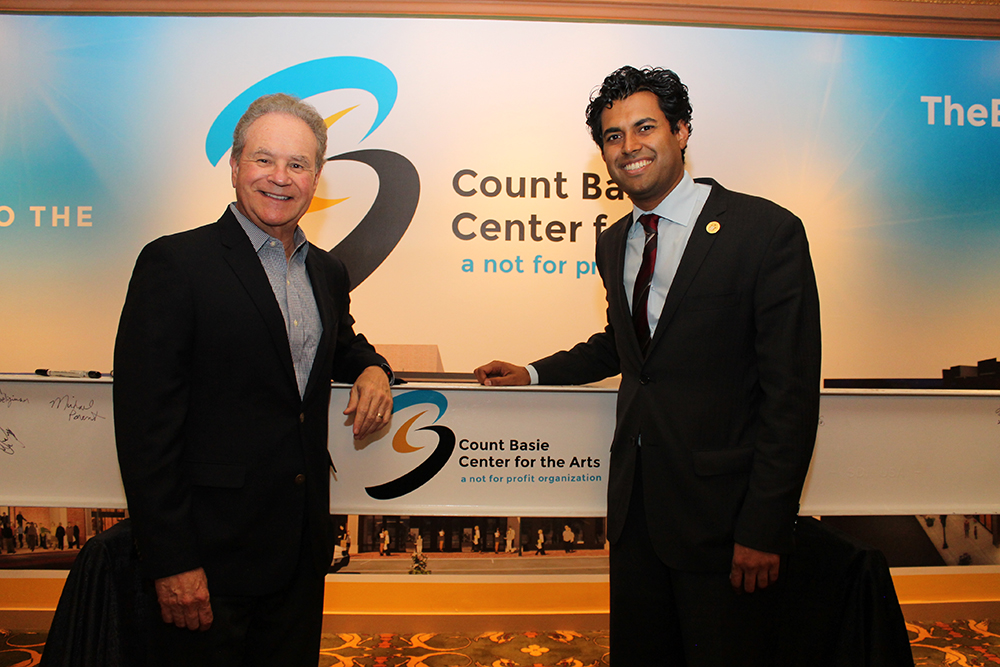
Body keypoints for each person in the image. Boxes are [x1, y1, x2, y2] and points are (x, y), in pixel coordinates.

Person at [475, 66, 820, 665]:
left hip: (723, 518)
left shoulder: (765, 232)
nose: (628, 146)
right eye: (612, 136)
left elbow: (791, 395)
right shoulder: (615, 242)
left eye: (644, 127)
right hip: (636, 512)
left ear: (682, 130)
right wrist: (532, 372)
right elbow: (625, 345)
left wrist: (764, 526)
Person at [114, 93, 394, 667]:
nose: (280, 178)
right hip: (207, 561)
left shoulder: (326, 270)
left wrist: (373, 368)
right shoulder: (174, 264)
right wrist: (172, 560)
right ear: (235, 165)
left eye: (298, 164)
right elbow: (145, 429)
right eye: (264, 160)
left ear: (316, 176)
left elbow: (339, 342)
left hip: (298, 552)